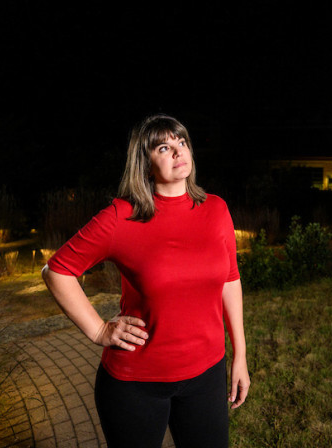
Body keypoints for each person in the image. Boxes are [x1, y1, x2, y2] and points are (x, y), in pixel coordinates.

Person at [42, 114, 250, 448]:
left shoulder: (216, 209)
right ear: (145, 163)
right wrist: (98, 330)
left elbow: (230, 280)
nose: (178, 152)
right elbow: (57, 271)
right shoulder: (121, 217)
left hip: (207, 376)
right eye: (164, 147)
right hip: (136, 385)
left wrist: (239, 353)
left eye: (181, 142)